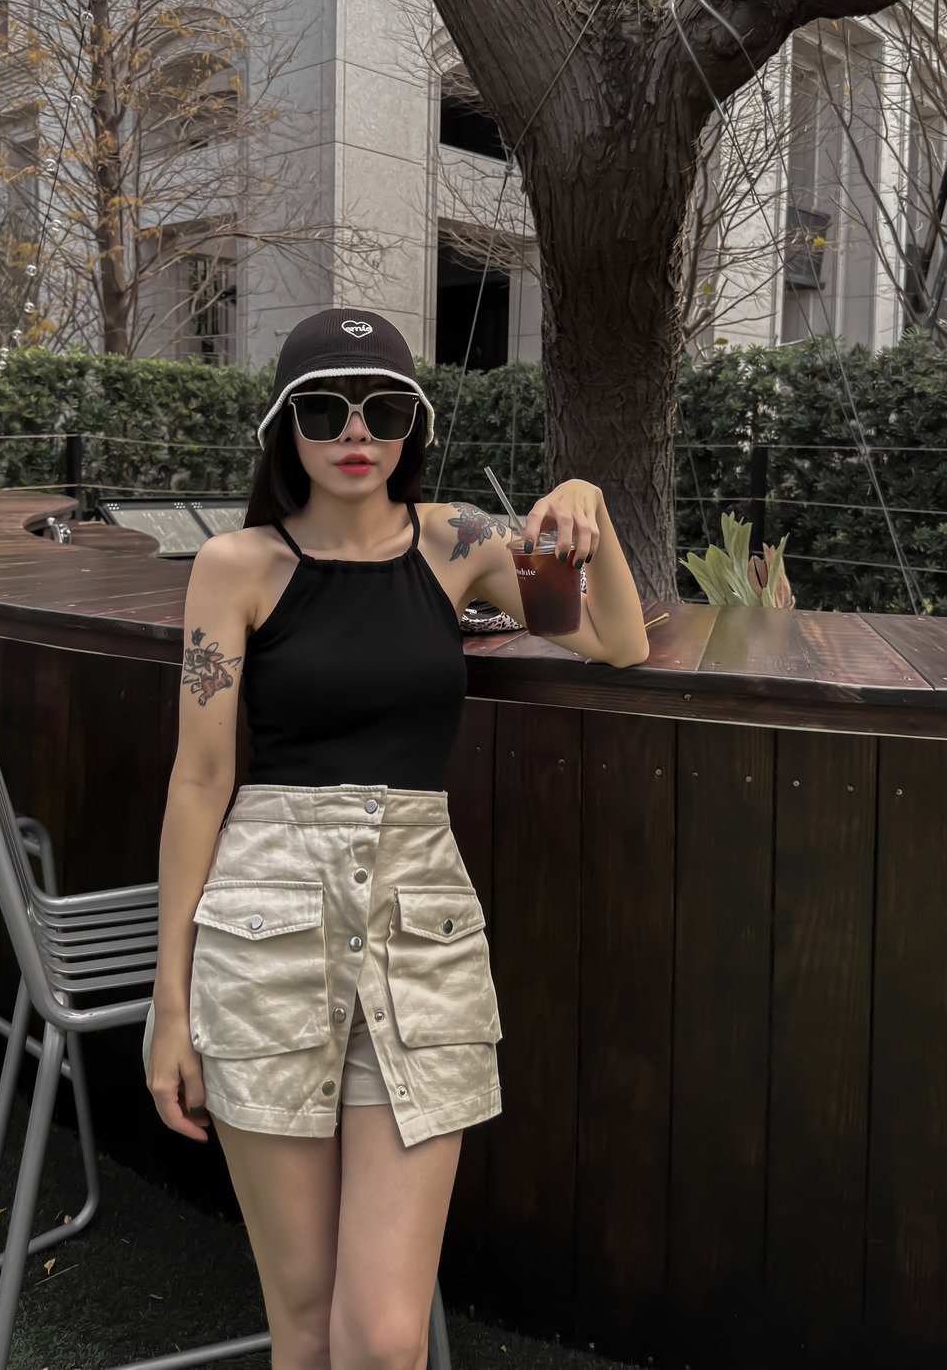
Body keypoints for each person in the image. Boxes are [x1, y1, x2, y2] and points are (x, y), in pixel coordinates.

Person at [144, 308, 649, 1370]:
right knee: (304, 1322)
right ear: (285, 427)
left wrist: (588, 501)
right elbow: (199, 780)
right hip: (266, 931)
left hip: (420, 935)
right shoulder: (235, 565)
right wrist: (170, 1006)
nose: (354, 431)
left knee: (380, 1336)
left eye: (382, 408)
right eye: (324, 408)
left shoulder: (457, 541)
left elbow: (618, 640)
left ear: (412, 425)